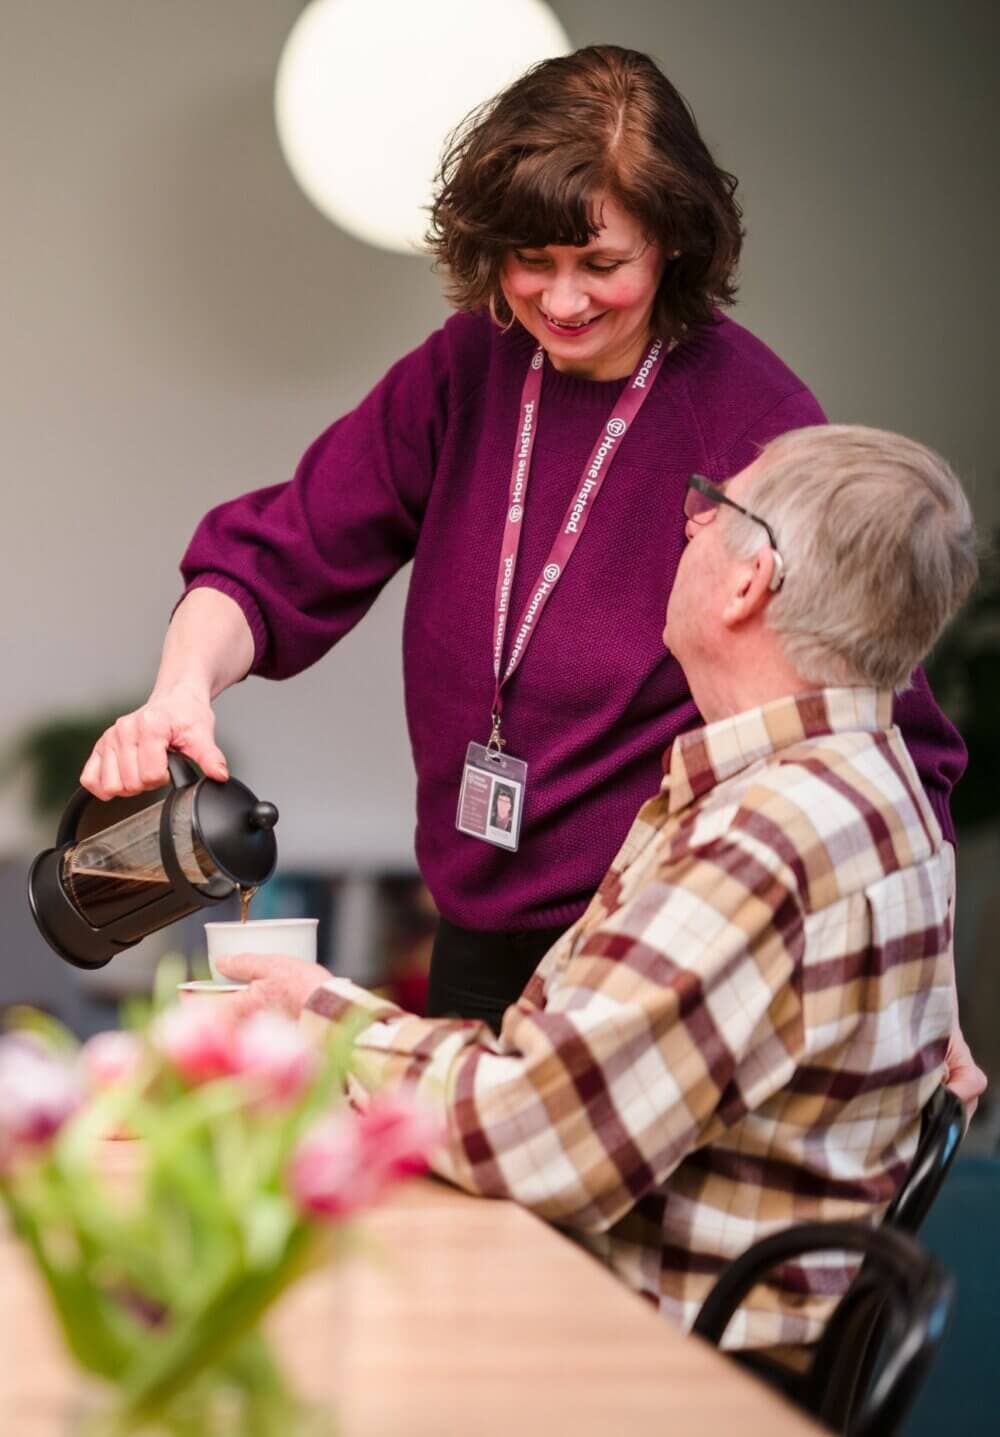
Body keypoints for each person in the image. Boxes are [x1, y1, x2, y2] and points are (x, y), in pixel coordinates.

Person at [80, 46, 968, 1039]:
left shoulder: (751, 422)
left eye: (601, 264)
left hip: (652, 951)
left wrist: (925, 1013)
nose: (561, 301)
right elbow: (278, 553)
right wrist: (180, 691)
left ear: (671, 244)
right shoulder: (472, 366)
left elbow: (890, 733)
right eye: (530, 260)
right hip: (470, 926)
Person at [218, 423, 978, 1349]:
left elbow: (538, 1134)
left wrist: (323, 1018)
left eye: (714, 507)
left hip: (644, 1361)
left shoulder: (769, 835)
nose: (689, 526)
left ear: (749, 581)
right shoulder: (877, 779)